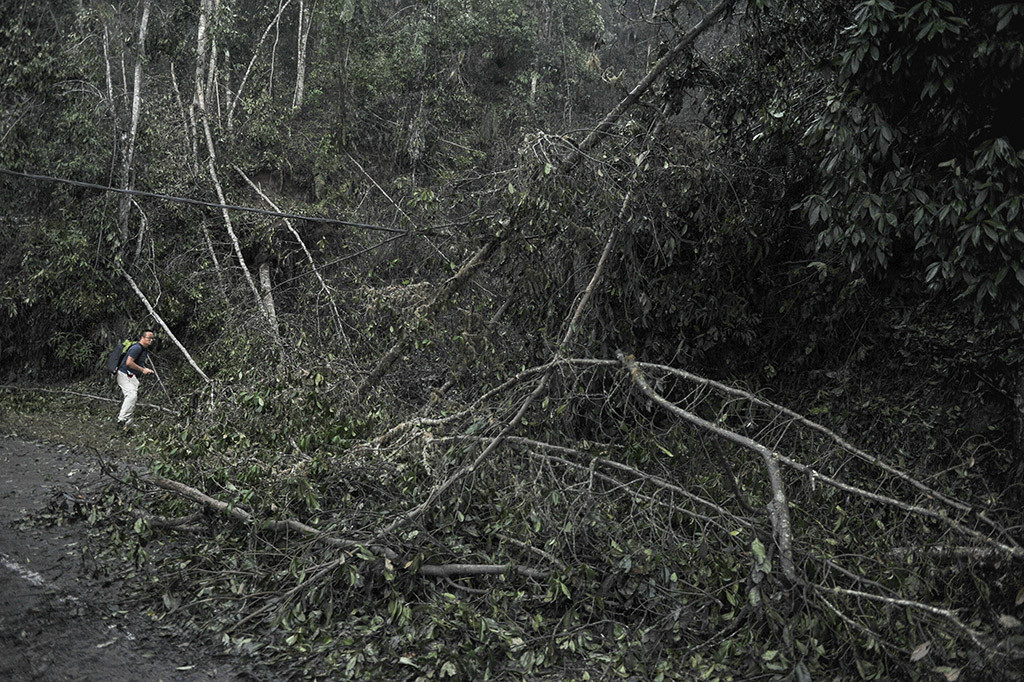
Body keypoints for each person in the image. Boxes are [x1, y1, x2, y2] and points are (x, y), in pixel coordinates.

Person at [116, 330, 156, 428]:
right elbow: (129, 363)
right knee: (131, 395)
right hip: (124, 374)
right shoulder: (136, 348)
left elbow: (136, 363)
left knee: (132, 397)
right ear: (142, 338)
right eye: (149, 338)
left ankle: (128, 421)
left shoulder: (143, 349)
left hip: (131, 376)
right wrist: (143, 370)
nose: (151, 340)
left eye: (152, 339)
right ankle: (121, 420)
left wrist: (144, 369)